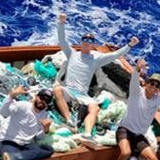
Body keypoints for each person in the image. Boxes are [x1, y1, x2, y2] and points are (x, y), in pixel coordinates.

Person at [54, 12, 138, 145]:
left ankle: (87, 135)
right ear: (81, 42)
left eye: (90, 41)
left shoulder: (96, 59)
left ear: (93, 43)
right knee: (57, 90)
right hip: (69, 90)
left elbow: (115, 54)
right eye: (85, 40)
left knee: (94, 107)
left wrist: (130, 45)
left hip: (83, 94)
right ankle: (69, 121)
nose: (87, 42)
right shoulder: (72, 53)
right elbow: (62, 40)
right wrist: (61, 22)